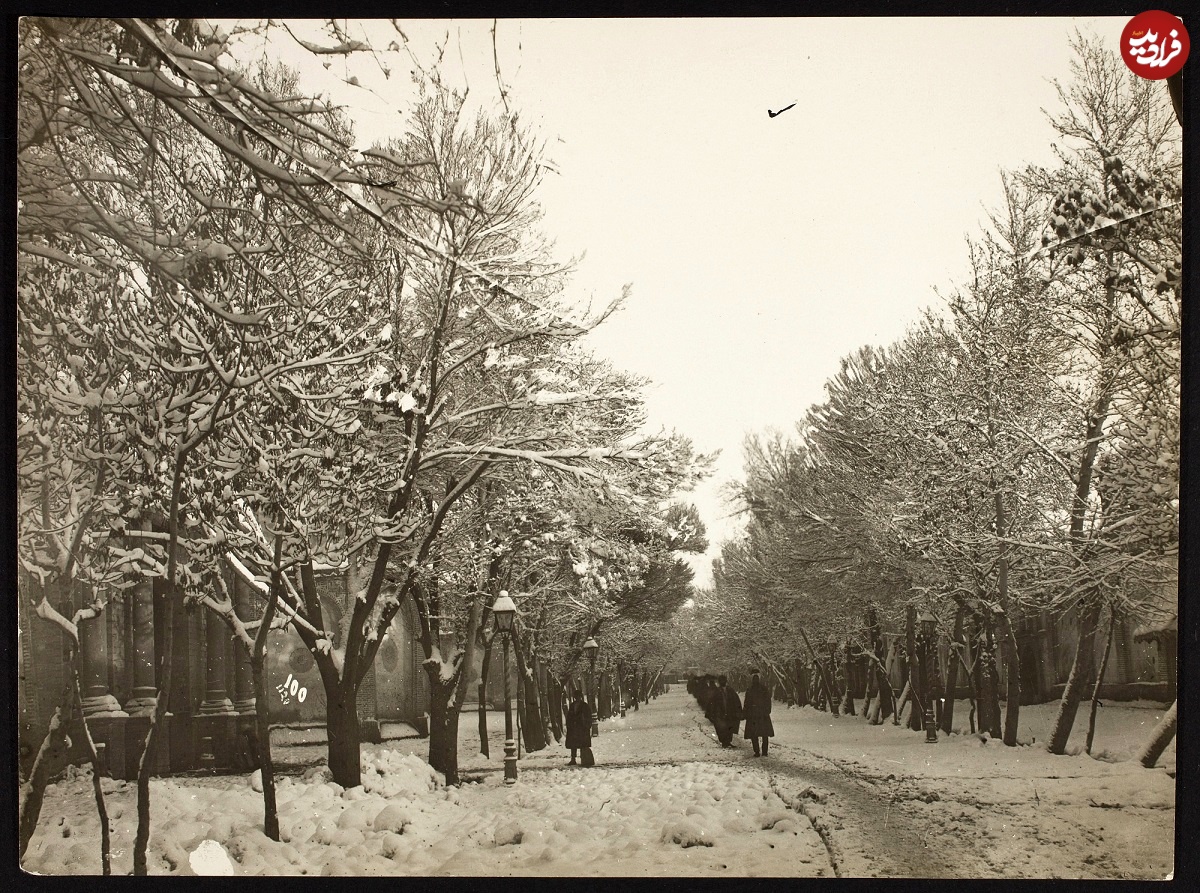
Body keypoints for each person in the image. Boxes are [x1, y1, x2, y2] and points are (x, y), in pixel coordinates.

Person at [743, 670, 775, 756]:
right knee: (763, 734)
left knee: (758, 734)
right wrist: (767, 710)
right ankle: (761, 751)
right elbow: (747, 703)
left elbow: (747, 703)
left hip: (758, 714)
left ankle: (759, 751)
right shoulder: (759, 689)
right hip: (760, 714)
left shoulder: (752, 689)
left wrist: (746, 712)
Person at [710, 675, 743, 747]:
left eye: (723, 681)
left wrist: (738, 711)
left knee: (729, 727)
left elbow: (736, 701)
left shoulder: (730, 690)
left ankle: (727, 741)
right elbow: (711, 703)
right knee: (721, 728)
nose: (723, 682)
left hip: (729, 712)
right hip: (719, 713)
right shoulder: (716, 692)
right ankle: (724, 742)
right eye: (721, 681)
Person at [565, 689, 592, 766]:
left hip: (582, 728)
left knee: (582, 745)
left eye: (578, 696)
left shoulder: (585, 706)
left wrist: (587, 726)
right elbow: (569, 716)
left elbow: (588, 717)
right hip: (573, 728)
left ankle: (584, 759)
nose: (577, 698)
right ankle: (573, 759)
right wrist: (569, 725)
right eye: (576, 697)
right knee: (573, 745)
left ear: (581, 697)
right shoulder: (572, 705)